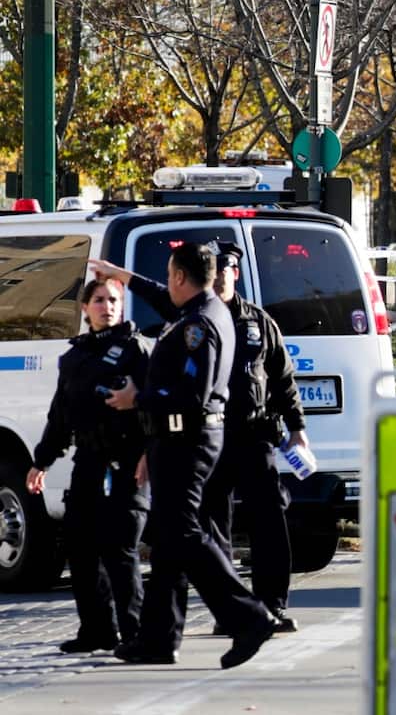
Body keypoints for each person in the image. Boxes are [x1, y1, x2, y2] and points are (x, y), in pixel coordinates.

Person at [93, 242, 308, 634]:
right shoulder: (197, 314)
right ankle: (229, 613)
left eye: (229, 269)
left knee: (261, 521)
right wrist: (120, 274)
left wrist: (297, 429)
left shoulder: (241, 322)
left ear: (234, 274)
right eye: (218, 268)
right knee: (207, 525)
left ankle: (265, 606)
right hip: (212, 439)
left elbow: (281, 378)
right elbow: (158, 294)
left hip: (251, 432)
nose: (223, 275)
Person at [25, 279, 151, 654]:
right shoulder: (75, 356)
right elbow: (60, 415)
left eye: (113, 300)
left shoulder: (137, 350)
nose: (107, 306)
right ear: (85, 308)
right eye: (99, 300)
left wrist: (149, 452)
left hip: (128, 460)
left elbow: (159, 403)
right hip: (89, 461)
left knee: (120, 545)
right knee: (80, 545)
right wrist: (41, 461)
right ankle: (97, 629)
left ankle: (135, 632)